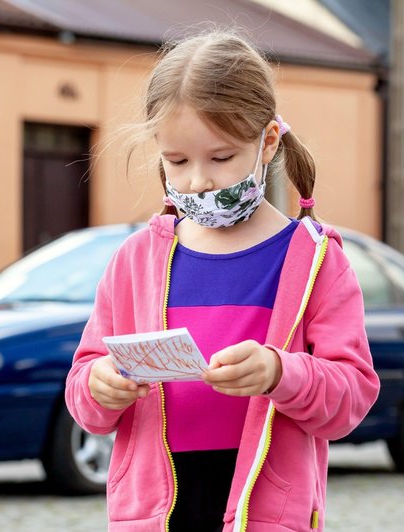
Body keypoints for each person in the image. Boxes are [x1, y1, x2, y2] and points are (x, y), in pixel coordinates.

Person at [65, 30, 380, 532]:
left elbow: (351, 398)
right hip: (152, 515)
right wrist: (100, 386)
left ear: (268, 142)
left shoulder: (317, 262)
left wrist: (282, 373)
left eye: (221, 158)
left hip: (267, 515)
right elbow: (84, 389)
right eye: (177, 162)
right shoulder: (136, 260)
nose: (197, 181)